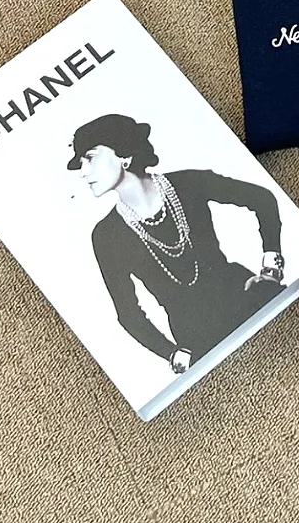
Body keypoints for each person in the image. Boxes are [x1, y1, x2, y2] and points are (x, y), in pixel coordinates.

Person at [68, 114, 285, 374]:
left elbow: (261, 199)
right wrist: (171, 354)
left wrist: (271, 268)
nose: (83, 172)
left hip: (246, 296)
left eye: (90, 158)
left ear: (123, 154)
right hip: (197, 337)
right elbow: (128, 313)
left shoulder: (189, 183)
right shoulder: (107, 235)